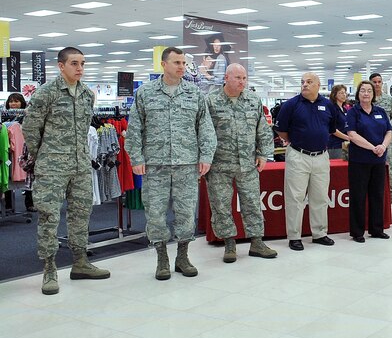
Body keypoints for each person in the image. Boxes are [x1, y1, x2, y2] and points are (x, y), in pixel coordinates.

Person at [22, 47, 111, 295]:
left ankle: (80, 262)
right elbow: (30, 129)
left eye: (82, 63)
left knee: (81, 213)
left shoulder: (86, 95)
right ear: (61, 66)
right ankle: (49, 269)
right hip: (52, 166)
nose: (80, 68)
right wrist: (44, 156)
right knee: (49, 216)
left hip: (80, 165)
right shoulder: (46, 93)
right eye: (74, 63)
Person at [126, 47, 216, 280]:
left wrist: (206, 156)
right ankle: (162, 258)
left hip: (187, 164)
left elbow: (205, 127)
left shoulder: (194, 94)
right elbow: (135, 128)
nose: (181, 67)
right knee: (155, 214)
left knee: (186, 213)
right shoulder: (145, 93)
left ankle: (183, 256)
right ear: (163, 64)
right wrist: (136, 157)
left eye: (184, 63)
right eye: (176, 62)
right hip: (155, 166)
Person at [205, 63, 277, 262]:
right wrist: (204, 159)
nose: (242, 82)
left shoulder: (253, 100)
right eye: (238, 78)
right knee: (221, 205)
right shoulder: (210, 102)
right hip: (219, 165)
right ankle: (229, 243)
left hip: (247, 164)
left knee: (252, 203)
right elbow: (203, 133)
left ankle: (257, 242)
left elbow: (262, 129)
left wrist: (264, 154)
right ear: (226, 78)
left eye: (244, 78)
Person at [274, 72, 337, 251]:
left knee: (320, 197)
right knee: (295, 198)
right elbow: (281, 131)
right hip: (298, 155)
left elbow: (331, 129)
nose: (305, 85)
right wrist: (298, 140)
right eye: (302, 82)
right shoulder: (291, 105)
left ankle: (319, 233)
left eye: (309, 82)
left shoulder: (327, 105)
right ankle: (294, 236)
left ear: (318, 85)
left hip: (321, 157)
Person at [345, 81, 392, 242]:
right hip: (359, 160)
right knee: (358, 196)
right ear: (358, 94)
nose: (366, 94)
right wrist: (373, 147)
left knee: (377, 195)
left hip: (378, 160)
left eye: (369, 91)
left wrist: (383, 146)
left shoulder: (380, 111)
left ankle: (376, 229)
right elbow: (352, 134)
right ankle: (357, 232)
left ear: (373, 94)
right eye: (363, 91)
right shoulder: (353, 112)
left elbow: (389, 132)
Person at [369, 73, 392, 205]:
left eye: (379, 82)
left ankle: (391, 194)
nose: (377, 84)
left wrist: (389, 126)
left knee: (389, 167)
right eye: (374, 82)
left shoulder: (388, 100)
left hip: (385, 140)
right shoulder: (365, 100)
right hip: (368, 141)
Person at [3, 93, 35, 212]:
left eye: (16, 101)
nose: (13, 104)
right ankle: (8, 204)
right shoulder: (4, 117)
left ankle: (29, 203)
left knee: (28, 175)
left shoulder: (27, 116)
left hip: (25, 148)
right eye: (11, 101)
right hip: (9, 149)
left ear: (22, 102)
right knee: (8, 173)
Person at [327, 84, 350, 160]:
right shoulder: (332, 109)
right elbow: (332, 129)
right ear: (335, 95)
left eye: (345, 93)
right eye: (341, 93)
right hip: (335, 145)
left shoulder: (344, 109)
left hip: (345, 143)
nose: (344, 95)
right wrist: (347, 137)